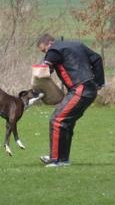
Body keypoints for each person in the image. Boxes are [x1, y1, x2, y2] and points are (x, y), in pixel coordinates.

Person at [36, 34, 105, 167]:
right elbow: (97, 59)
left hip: (80, 89)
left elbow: (44, 70)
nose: (45, 53)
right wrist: (99, 83)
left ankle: (55, 159)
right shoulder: (77, 45)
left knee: (57, 120)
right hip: (90, 89)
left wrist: (37, 79)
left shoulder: (54, 50)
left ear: (49, 43)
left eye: (44, 50)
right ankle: (63, 159)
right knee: (66, 122)